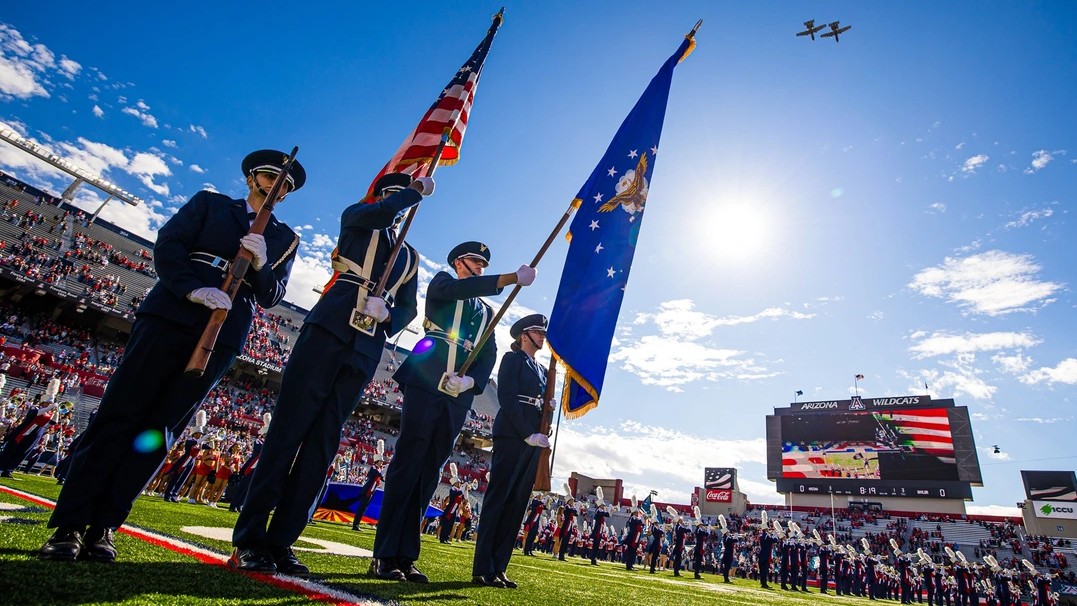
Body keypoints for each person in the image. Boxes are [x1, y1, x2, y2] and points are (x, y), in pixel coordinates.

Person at [38, 149, 302, 563]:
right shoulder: (210, 204)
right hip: (174, 311)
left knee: (160, 431)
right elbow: (170, 245)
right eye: (273, 177)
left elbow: (271, 296)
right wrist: (190, 288)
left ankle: (105, 524)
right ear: (253, 177)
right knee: (119, 414)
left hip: (225, 328)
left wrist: (262, 265)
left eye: (285, 183)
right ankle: (69, 523)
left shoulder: (285, 237)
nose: (278, 186)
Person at [231, 172, 431, 575]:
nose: (398, 205)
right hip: (329, 327)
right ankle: (249, 539)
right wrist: (410, 193)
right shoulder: (359, 217)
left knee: (323, 444)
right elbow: (381, 215)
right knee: (287, 433)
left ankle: (282, 540)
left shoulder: (409, 257)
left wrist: (389, 314)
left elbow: (409, 306)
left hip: (366, 344)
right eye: (394, 197)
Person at [371, 241, 536, 583]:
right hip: (427, 377)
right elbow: (462, 289)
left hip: (456, 394)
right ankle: (384, 554)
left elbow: (488, 355)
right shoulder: (444, 283)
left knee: (430, 470)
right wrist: (507, 278)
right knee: (408, 463)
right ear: (459, 263)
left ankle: (406, 555)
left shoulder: (488, 313)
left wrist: (472, 381)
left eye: (482, 263)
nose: (479, 267)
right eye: (475, 262)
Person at [471, 314, 551, 588]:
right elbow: (506, 397)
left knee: (516, 504)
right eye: (537, 332)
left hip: (533, 437)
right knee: (499, 499)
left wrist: (545, 413)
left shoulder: (542, 370)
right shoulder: (512, 359)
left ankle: (499, 566)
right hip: (513, 434)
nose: (542, 336)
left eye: (543, 332)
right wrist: (526, 432)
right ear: (523, 335)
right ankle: (483, 567)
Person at [350, 459, 385, 531]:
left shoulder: (378, 469)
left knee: (363, 509)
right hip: (367, 491)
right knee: (361, 508)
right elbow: (379, 475)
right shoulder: (373, 468)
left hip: (371, 491)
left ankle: (356, 524)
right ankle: (355, 525)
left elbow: (382, 478)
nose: (382, 462)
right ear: (377, 461)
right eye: (381, 461)